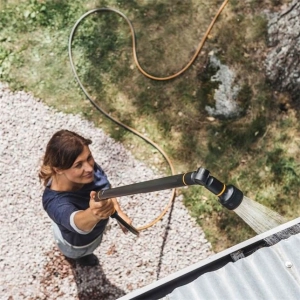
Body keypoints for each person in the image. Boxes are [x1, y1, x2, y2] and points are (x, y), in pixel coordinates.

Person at [39, 129, 132, 266]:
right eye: (78, 165)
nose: (89, 168)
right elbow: (77, 222)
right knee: (79, 254)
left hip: (96, 233)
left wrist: (118, 212)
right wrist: (94, 212)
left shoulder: (88, 171)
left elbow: (105, 187)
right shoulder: (54, 202)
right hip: (76, 245)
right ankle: (80, 258)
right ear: (58, 169)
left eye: (89, 157)